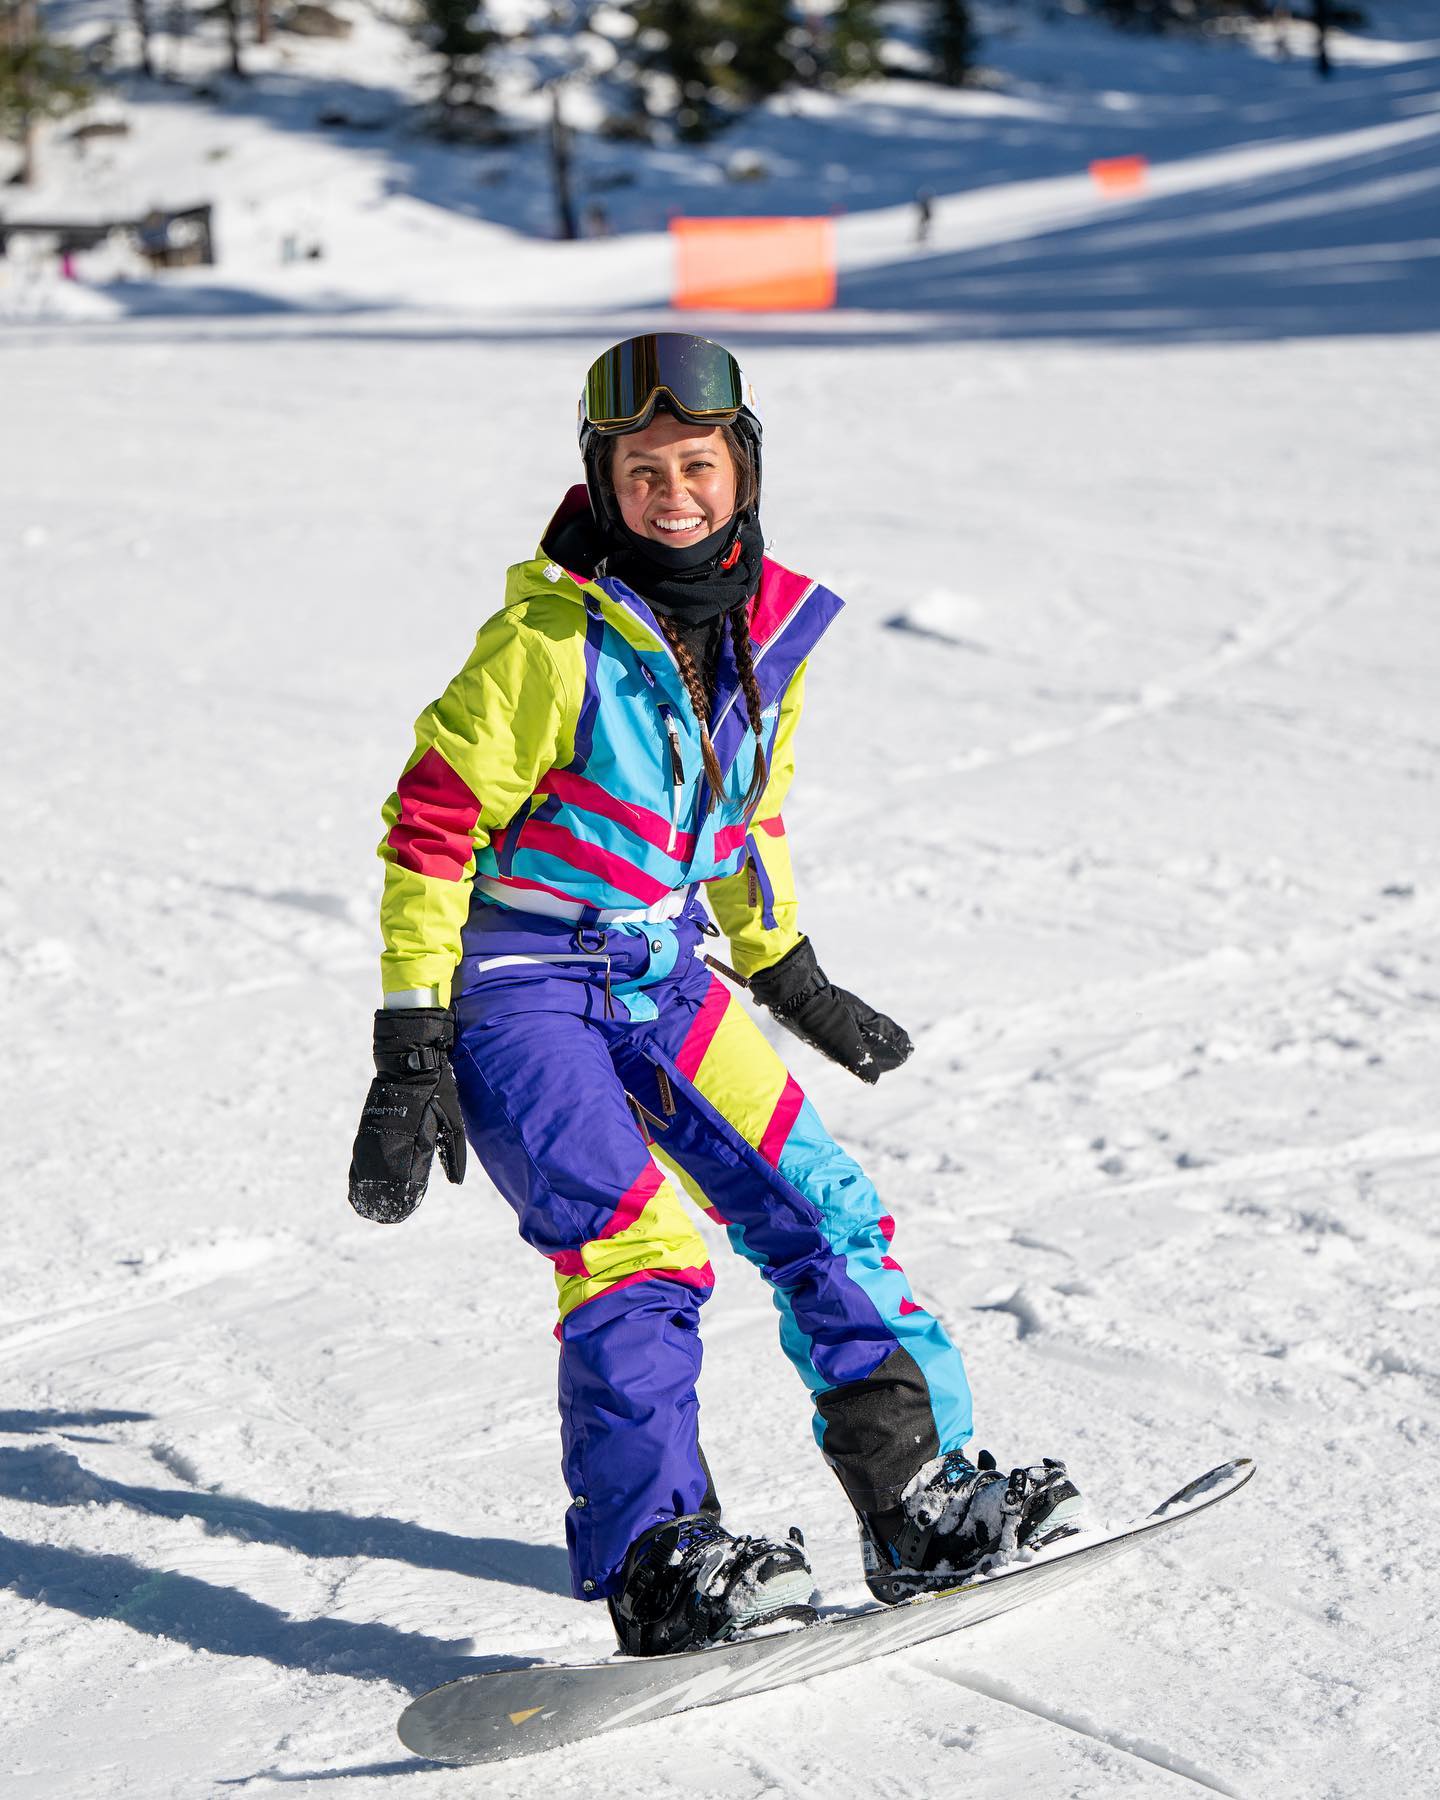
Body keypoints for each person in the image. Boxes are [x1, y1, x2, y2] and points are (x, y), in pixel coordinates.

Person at [348, 333, 1080, 1656]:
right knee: (638, 1249)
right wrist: (412, 1042)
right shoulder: (546, 641)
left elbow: (749, 816)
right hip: (519, 983)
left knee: (826, 1210)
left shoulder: (771, 627)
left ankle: (918, 1501)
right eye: (641, 469)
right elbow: (429, 828)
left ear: (741, 469)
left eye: (697, 463)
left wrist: (786, 966)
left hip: (662, 969)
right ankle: (665, 1557)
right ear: (603, 480)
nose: (671, 491)